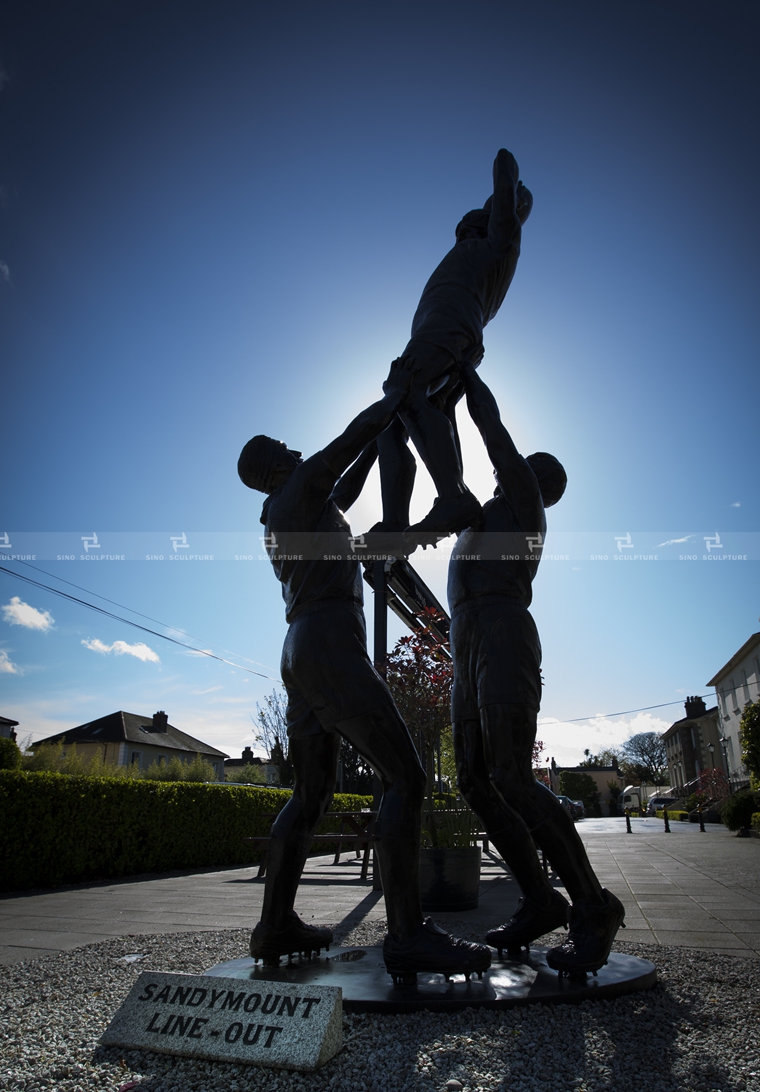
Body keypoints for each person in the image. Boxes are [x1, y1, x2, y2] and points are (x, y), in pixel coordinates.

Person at [237, 356, 490, 984]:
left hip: (301, 649)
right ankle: (406, 934)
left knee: (311, 794)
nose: (293, 447)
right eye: (281, 447)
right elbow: (343, 445)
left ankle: (275, 925)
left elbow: (347, 486)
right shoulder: (294, 492)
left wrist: (389, 441)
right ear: (271, 467)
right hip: (328, 643)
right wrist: (395, 399)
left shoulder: (289, 513)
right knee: (404, 776)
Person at [447, 361, 625, 973]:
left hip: (503, 635)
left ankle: (594, 906)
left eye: (517, 470)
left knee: (513, 777)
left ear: (534, 482)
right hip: (466, 642)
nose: (501, 472)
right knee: (473, 779)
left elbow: (493, 432)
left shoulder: (524, 507)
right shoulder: (478, 520)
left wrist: (465, 377)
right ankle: (540, 901)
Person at [376, 148, 533, 538]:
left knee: (400, 394)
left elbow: (504, 164)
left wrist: (510, 198)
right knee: (394, 420)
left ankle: (453, 497)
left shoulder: (499, 247)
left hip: (447, 331)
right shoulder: (470, 251)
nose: (461, 230)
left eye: (469, 224)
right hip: (441, 334)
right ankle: (400, 518)